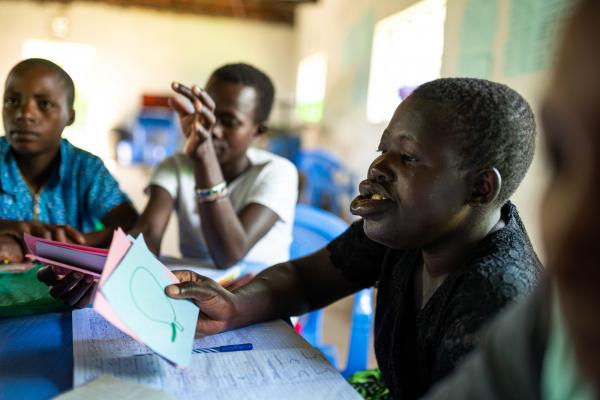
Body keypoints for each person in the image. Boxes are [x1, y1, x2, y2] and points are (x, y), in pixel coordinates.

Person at [163, 78, 543, 399]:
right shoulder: (413, 229)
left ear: (479, 187)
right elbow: (305, 280)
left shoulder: (498, 303)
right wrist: (235, 306)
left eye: (408, 158)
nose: (378, 167)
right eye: (383, 149)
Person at [421, 1, 600, 398]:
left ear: (482, 187)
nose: (569, 236)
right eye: (561, 158)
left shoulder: (502, 290)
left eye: (410, 158)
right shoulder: (550, 323)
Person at [130, 63, 298, 268]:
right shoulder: (175, 166)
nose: (214, 129)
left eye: (229, 121)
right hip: (193, 293)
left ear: (258, 131)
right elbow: (147, 234)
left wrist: (204, 157)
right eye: (208, 113)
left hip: (258, 294)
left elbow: (229, 255)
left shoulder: (278, 172)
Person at [0, 58, 137, 262]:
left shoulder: (86, 169)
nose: (25, 114)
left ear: (70, 116)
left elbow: (132, 226)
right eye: (12, 101)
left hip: (68, 292)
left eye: (43, 104)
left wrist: (72, 245)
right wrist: (9, 228)